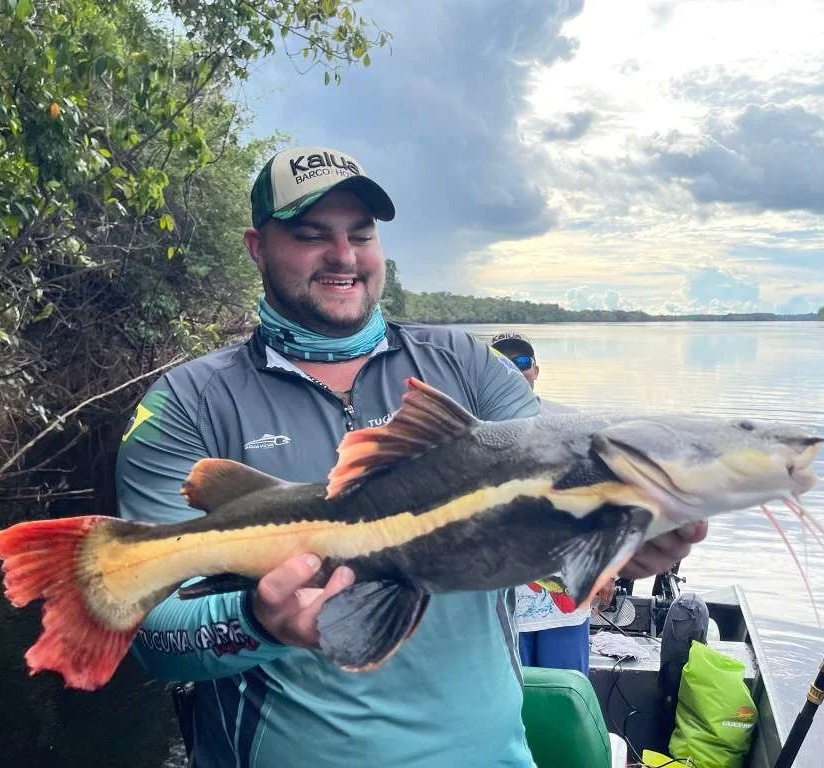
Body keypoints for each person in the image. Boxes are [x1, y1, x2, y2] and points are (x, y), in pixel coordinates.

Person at [115, 144, 708, 767]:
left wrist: (618, 547)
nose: (343, 256)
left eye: (361, 234)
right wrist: (257, 619)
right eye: (311, 235)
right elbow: (152, 635)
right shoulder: (186, 403)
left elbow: (548, 536)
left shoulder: (472, 370)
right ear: (257, 248)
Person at [490, 332, 615, 677]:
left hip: (566, 596)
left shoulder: (571, 423)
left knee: (566, 693)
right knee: (512, 700)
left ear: (536, 369)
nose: (515, 370)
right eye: (502, 362)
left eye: (522, 362)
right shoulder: (476, 430)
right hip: (500, 602)